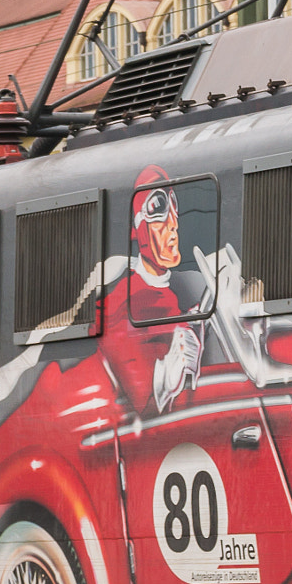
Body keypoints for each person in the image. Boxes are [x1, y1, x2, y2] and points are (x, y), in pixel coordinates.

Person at [102, 165, 207, 414]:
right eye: (158, 210)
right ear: (137, 229)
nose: (173, 224)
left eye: (174, 207)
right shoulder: (121, 304)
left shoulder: (186, 285)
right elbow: (145, 400)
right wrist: (173, 366)